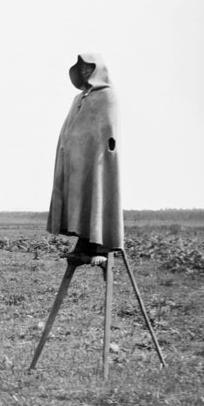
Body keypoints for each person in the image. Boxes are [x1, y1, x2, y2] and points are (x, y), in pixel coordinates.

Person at [47, 54, 123, 263]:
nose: (84, 72)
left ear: (98, 69)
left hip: (95, 159)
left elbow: (107, 129)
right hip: (75, 160)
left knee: (95, 195)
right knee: (79, 199)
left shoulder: (107, 95)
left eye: (89, 68)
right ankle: (84, 242)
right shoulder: (79, 98)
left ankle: (98, 244)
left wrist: (98, 153)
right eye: (81, 70)